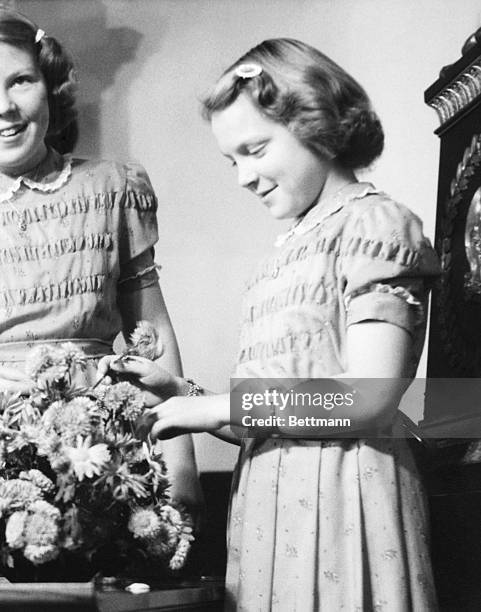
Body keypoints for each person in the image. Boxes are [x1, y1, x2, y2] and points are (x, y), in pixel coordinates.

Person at [99, 39, 440, 610]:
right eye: (232, 160)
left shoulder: (375, 227)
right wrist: (183, 394)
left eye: (255, 150)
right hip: (269, 512)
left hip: (346, 505)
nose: (244, 177)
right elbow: (268, 420)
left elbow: (369, 401)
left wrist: (217, 406)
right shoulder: (278, 259)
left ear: (315, 123)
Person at [0, 6, 201, 528]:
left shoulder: (112, 189)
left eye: (21, 81)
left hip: (102, 445)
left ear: (49, 84)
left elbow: (155, 337)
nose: (2, 107)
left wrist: (181, 471)